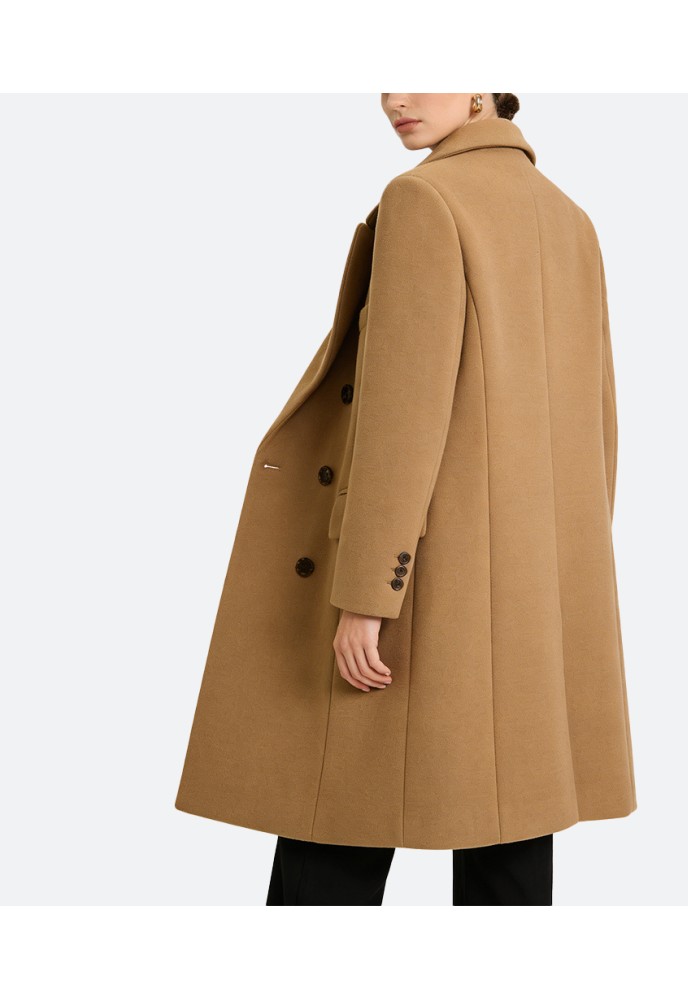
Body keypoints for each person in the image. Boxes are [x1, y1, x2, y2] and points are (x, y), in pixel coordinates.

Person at [176, 93, 637, 906]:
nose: (395, 96)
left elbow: (400, 419)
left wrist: (364, 597)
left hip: (422, 589)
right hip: (528, 599)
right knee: (508, 838)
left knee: (334, 829)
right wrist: (563, 586)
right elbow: (595, 423)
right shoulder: (570, 218)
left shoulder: (424, 199)